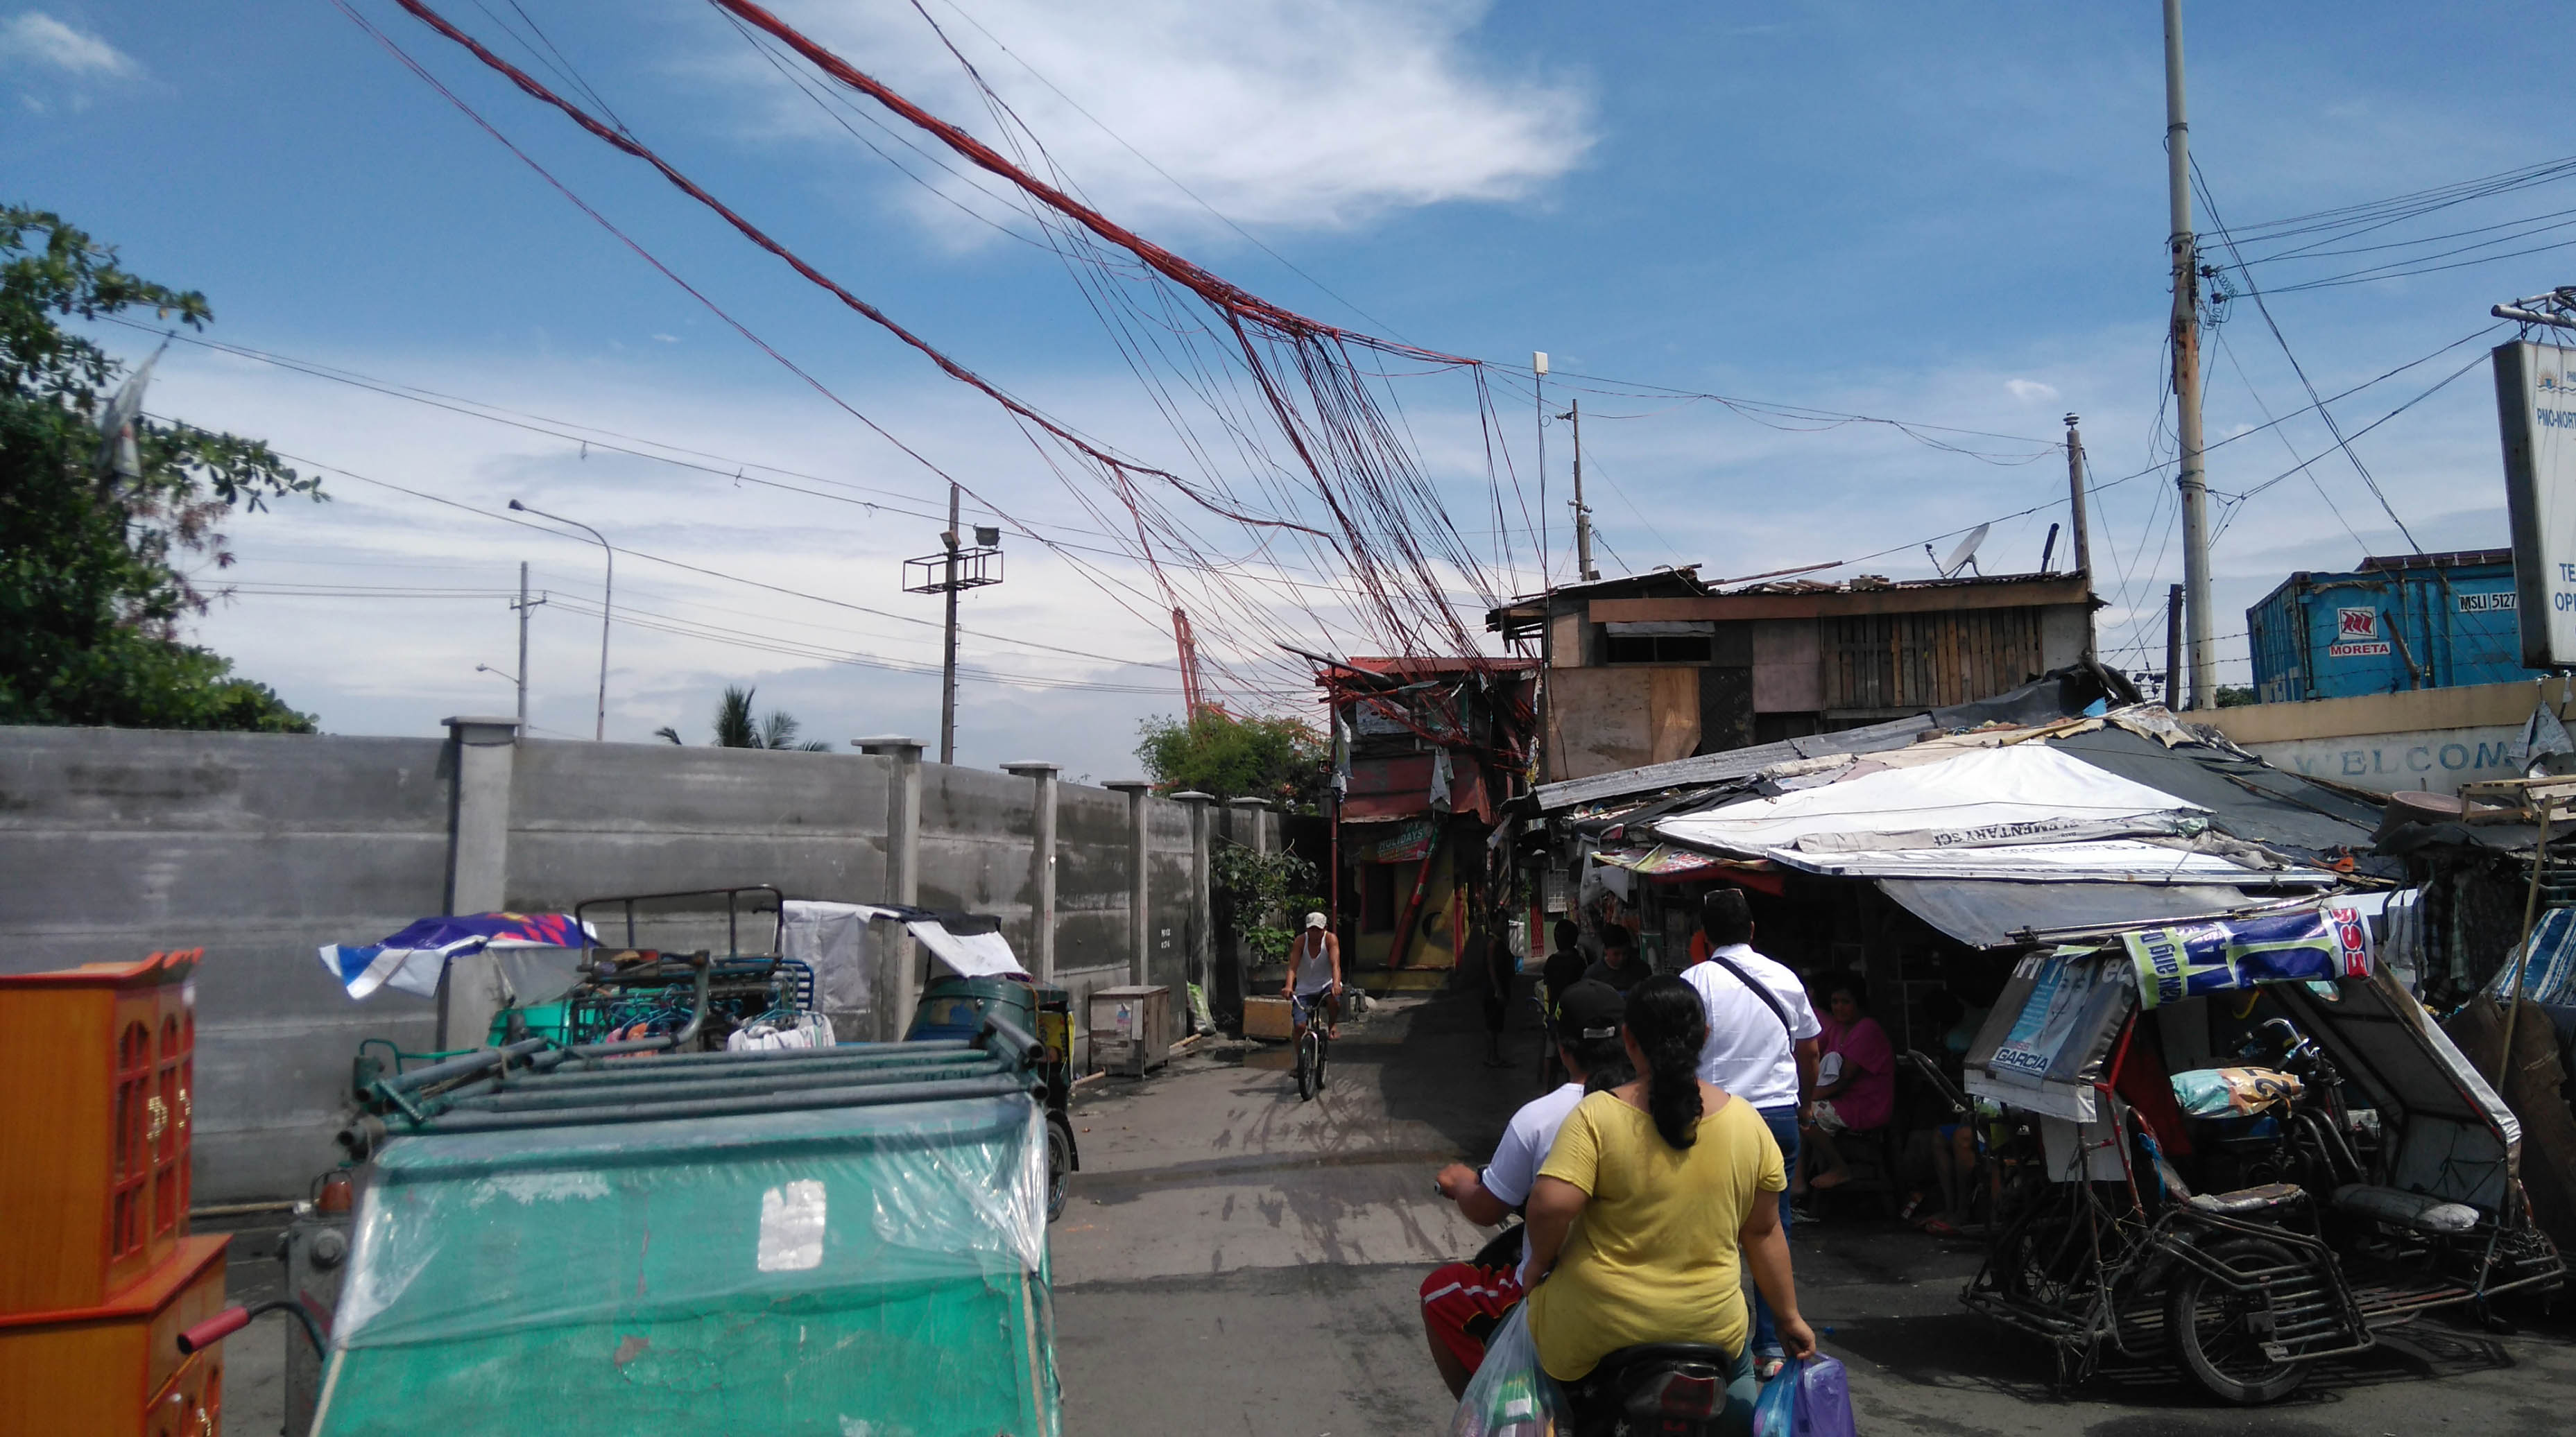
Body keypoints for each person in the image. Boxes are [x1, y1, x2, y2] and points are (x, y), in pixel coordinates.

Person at [1519, 976, 1817, 1420]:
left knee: (1530, 1386)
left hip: (1598, 1327)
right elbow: (1763, 1232)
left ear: (1628, 1039)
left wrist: (1537, 1267)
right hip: (1712, 1331)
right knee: (1739, 1417)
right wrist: (1789, 1318)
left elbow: (1551, 1206)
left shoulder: (1596, 1115)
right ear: (1706, 1038)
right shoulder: (1747, 1123)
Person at [1419, 980, 1633, 1397]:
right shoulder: (1669, 1109)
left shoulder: (1543, 1118)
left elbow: (1491, 1209)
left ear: (1562, 1047)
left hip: (1571, 1292)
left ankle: (1486, 1411)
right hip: (1673, 1294)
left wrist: (1462, 1183)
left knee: (1438, 1292)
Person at [1678, 887, 1819, 1381]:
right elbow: (1810, 1051)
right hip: (1778, 1114)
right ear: (1752, 929)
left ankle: (1710, 1336)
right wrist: (1807, 1103)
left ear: (1704, 934)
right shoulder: (1785, 978)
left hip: (1715, 1119)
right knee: (1770, 1227)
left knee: (1705, 1226)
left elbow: (1679, 1054)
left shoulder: (1693, 982)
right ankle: (1768, 1346)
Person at [1801, 978, 1894, 1193]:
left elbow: (1844, 1081)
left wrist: (1809, 1098)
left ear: (1858, 1003)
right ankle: (1798, 1184)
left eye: (1846, 1002)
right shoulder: (1838, 1029)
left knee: (1803, 1116)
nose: (1839, 1007)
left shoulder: (1867, 1029)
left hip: (1864, 1105)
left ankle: (1839, 1167)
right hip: (1839, 1100)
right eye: (1835, 1002)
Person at [1285, 911, 1340, 1042]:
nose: (1315, 933)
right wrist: (1288, 986)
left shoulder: (1330, 940)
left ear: (1325, 928)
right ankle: (1300, 1061)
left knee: (1334, 1000)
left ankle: (1332, 1025)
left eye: (1318, 930)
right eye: (1312, 929)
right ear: (1307, 929)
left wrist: (1336, 984)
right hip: (1304, 989)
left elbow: (1335, 965)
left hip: (1326, 985)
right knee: (1299, 1027)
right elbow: (1292, 967)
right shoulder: (1301, 941)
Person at [1583, 926, 1647, 994]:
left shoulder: (1642, 969)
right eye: (1616, 954)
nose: (1621, 958)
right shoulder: (1592, 976)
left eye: (1625, 953)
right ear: (1605, 950)